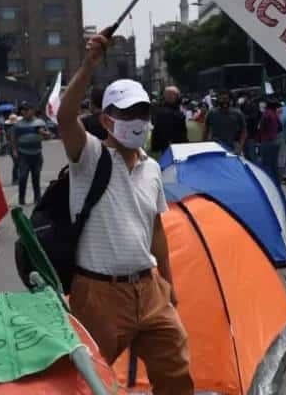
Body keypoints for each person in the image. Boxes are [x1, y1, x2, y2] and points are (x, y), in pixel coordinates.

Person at [57, 33, 193, 393]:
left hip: (149, 290)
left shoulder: (150, 168)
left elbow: (157, 231)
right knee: (89, 382)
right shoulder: (89, 157)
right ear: (105, 120)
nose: (137, 120)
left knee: (176, 369)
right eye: (127, 113)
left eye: (142, 112)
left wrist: (168, 284)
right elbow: (65, 116)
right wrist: (89, 65)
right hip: (98, 294)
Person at [12, 102, 47, 206]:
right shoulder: (18, 125)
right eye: (24, 110)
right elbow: (14, 138)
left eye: (28, 109)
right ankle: (21, 198)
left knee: (36, 176)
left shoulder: (40, 122)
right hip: (24, 154)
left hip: (37, 153)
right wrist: (14, 151)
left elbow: (47, 135)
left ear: (32, 110)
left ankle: (37, 198)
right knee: (23, 177)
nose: (26, 112)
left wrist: (44, 133)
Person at [150, 85, 187, 155]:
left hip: (164, 148)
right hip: (174, 147)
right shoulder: (175, 113)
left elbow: (155, 130)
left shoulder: (159, 111)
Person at [257, 97, 283, 181]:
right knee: (274, 163)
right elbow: (280, 127)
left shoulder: (266, 114)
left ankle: (269, 180)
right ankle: (276, 180)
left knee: (266, 163)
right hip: (275, 141)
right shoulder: (274, 114)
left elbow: (262, 127)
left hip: (267, 141)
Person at [239, 95, 262, 162]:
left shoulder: (253, 108)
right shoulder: (242, 108)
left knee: (251, 155)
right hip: (245, 135)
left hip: (251, 135)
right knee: (247, 155)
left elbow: (254, 118)